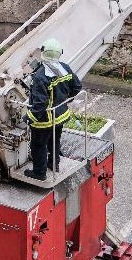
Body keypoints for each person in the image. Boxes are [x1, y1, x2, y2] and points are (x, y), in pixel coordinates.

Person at [24, 38, 83, 181]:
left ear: (43, 53)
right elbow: (77, 87)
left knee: (38, 145)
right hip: (61, 116)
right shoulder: (65, 68)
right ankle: (54, 164)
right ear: (59, 54)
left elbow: (39, 104)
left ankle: (39, 173)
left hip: (44, 120)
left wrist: (28, 118)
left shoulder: (40, 76)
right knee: (54, 141)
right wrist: (63, 100)